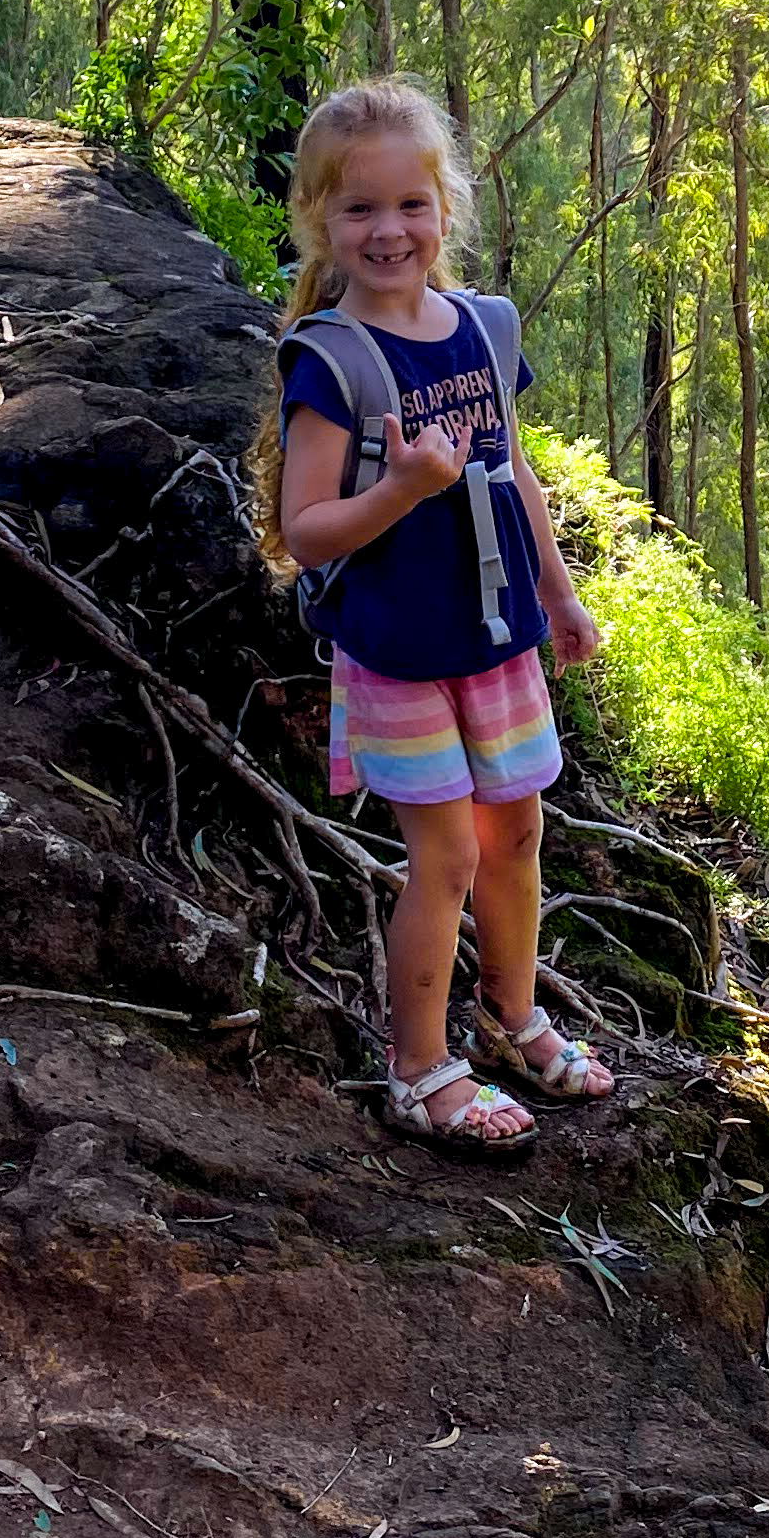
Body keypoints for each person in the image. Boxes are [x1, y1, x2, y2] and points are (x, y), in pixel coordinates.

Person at [256, 75, 610, 1156]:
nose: (388, 230)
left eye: (410, 204)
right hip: (401, 652)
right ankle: (419, 1066)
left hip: (496, 639)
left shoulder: (486, 332)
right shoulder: (332, 362)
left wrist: (561, 594)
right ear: (319, 220)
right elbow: (303, 530)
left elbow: (517, 476)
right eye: (358, 209)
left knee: (518, 831)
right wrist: (402, 490)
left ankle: (513, 1021)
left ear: (444, 207)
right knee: (446, 857)